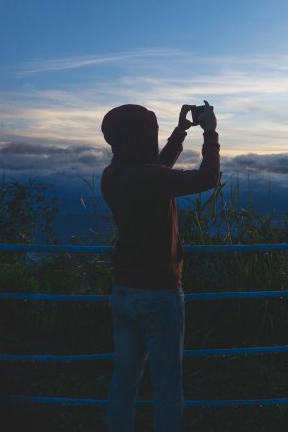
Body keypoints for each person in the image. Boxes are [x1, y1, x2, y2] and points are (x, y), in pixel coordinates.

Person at [100, 102, 221, 432]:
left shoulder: (112, 177)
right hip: (159, 293)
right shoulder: (149, 178)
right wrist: (209, 132)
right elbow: (208, 178)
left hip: (123, 291)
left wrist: (180, 132)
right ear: (141, 137)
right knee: (167, 386)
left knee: (124, 381)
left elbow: (156, 171)